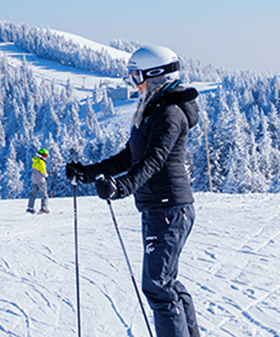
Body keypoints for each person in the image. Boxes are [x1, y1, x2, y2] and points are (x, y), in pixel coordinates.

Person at [66, 46, 201, 337]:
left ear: (155, 75)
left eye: (136, 75)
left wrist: (121, 187)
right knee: (166, 282)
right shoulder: (153, 110)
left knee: (157, 286)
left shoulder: (169, 114)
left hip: (169, 208)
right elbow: (129, 156)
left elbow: (154, 160)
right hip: (160, 207)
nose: (133, 82)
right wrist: (88, 172)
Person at [27, 148, 50, 214]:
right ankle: (44, 208)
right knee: (44, 195)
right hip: (41, 180)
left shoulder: (35, 161)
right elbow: (43, 172)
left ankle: (30, 207)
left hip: (34, 180)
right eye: (45, 156)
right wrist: (47, 176)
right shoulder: (41, 162)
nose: (46, 157)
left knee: (33, 194)